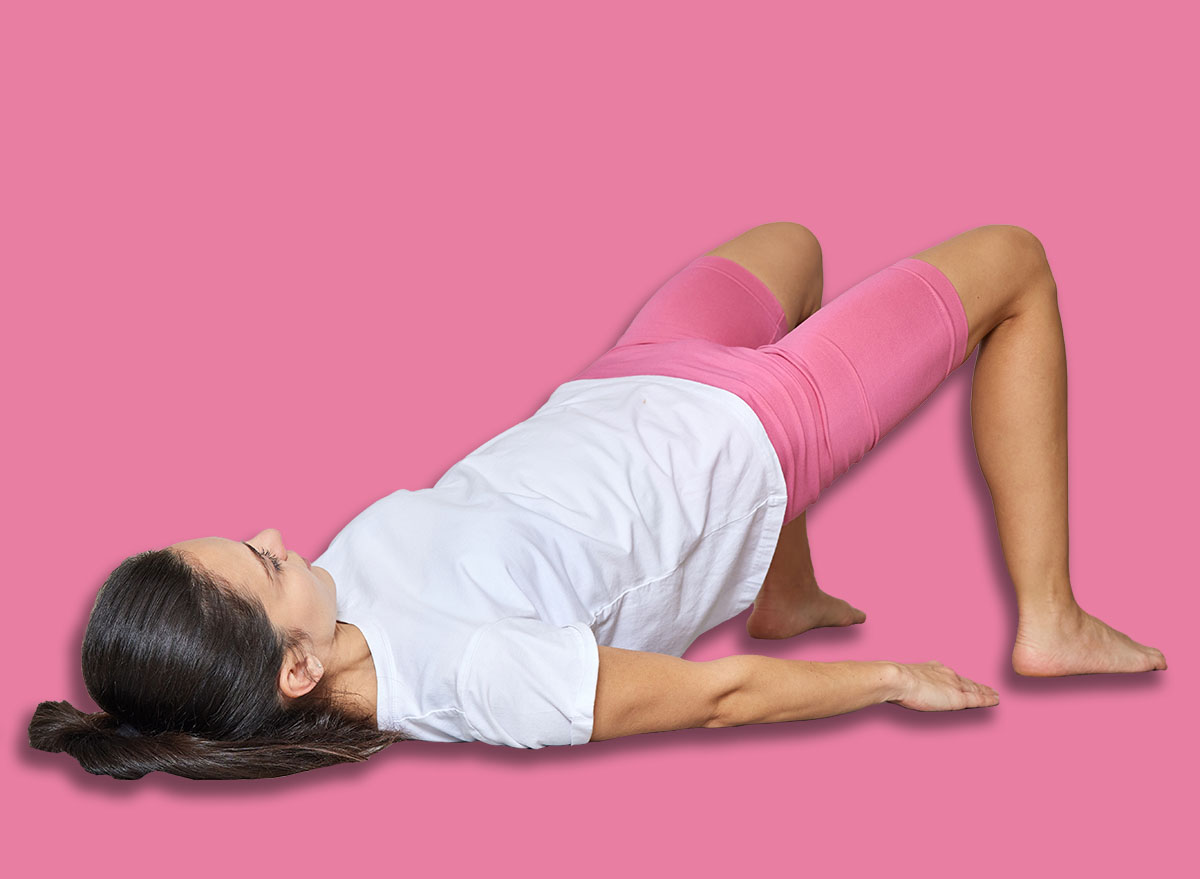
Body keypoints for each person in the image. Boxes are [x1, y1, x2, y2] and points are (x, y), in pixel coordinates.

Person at [28, 223, 1167, 781]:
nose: (279, 540)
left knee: (791, 244)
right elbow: (713, 702)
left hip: (637, 381)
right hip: (746, 434)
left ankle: (789, 585)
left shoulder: (327, 620)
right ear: (293, 670)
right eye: (261, 563)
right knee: (1013, 261)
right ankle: (1049, 617)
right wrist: (886, 680)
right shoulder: (484, 677)